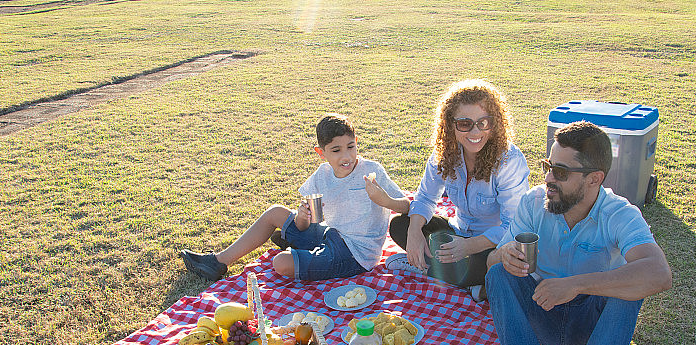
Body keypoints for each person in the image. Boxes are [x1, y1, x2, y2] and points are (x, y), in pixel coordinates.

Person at [485, 121, 672, 345]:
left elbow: (659, 274)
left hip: (593, 326)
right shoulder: (533, 203)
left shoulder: (619, 212)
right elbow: (493, 260)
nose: (548, 179)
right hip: (540, 313)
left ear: (594, 179)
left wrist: (575, 285)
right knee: (497, 275)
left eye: (560, 171)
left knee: (629, 287)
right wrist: (502, 255)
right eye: (547, 166)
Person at [179, 114, 409, 282]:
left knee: (280, 262)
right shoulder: (321, 176)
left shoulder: (371, 171)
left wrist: (385, 201)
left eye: (351, 146)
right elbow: (305, 224)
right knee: (275, 212)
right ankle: (218, 262)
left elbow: (408, 205)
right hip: (330, 234)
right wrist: (302, 217)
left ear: (356, 142)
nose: (346, 156)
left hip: (355, 254)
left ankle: (296, 248)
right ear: (321, 153)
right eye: (336, 150)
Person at [384, 79, 529, 302]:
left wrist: (469, 246)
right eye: (464, 124)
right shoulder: (445, 153)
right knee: (400, 225)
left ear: (495, 123)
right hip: (457, 234)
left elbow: (514, 225)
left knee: (506, 263)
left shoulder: (509, 160)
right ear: (450, 124)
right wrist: (414, 232)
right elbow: (425, 197)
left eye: (484, 122)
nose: (475, 131)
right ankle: (471, 283)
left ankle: (429, 268)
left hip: (491, 246)